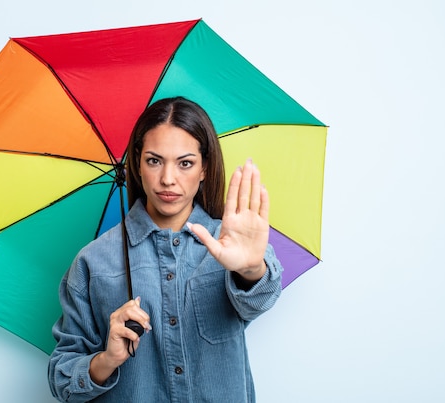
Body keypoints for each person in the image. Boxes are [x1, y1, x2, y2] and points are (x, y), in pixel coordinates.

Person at [48, 97, 283, 402]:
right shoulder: (94, 261)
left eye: (185, 163)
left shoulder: (230, 242)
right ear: (137, 163)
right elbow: (62, 380)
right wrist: (107, 359)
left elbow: (261, 299)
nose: (168, 179)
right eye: (154, 161)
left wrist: (250, 270)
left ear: (204, 168)